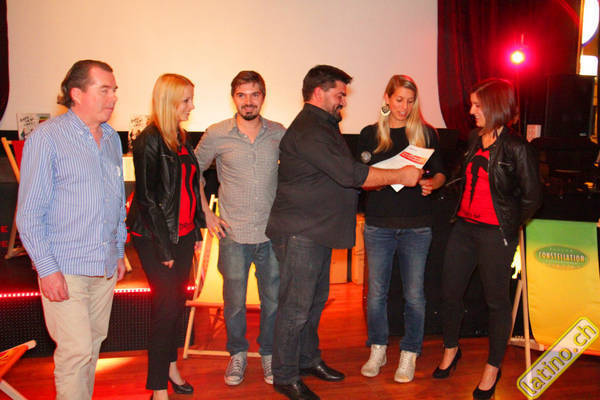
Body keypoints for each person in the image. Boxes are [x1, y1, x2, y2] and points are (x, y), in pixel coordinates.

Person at [266, 65, 423, 400]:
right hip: (301, 232)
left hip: (316, 230)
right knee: (296, 308)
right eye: (339, 94)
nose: (343, 101)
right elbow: (350, 174)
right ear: (319, 92)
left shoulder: (323, 125)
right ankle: (285, 375)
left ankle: (307, 359)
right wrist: (400, 175)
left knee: (313, 303)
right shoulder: (310, 130)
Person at [16, 59, 127, 400]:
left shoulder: (111, 139)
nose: (113, 97)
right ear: (77, 94)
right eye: (104, 90)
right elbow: (28, 215)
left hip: (104, 266)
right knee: (76, 351)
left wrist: (118, 251)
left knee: (90, 347)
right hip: (65, 267)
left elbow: (115, 202)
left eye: (114, 90)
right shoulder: (47, 138)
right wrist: (47, 269)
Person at [433, 78, 542, 400]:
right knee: (450, 292)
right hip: (464, 229)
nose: (471, 111)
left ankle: (493, 367)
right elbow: (465, 177)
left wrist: (507, 226)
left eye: (477, 105)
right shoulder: (473, 138)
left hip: (495, 234)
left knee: (497, 303)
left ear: (494, 106)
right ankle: (451, 349)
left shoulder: (517, 147)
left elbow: (533, 198)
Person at [194, 70, 285, 386]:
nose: (248, 101)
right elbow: (192, 172)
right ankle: (237, 354)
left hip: (271, 235)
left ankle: (269, 353)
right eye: (242, 95)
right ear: (233, 97)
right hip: (232, 234)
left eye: (254, 94)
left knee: (273, 300)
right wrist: (206, 213)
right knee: (233, 303)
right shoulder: (216, 133)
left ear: (263, 96)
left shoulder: (278, 133)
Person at [357, 75, 446, 383]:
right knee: (376, 294)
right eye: (399, 100)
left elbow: (440, 173)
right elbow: (360, 179)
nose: (404, 107)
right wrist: (384, 178)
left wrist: (432, 184)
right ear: (387, 98)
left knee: (414, 295)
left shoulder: (426, 133)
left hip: (417, 226)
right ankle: (378, 349)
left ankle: (410, 352)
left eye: (410, 101)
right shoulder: (370, 134)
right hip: (379, 224)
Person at [127, 73, 204, 399]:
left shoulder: (180, 137)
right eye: (186, 100)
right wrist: (164, 248)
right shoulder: (149, 140)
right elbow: (147, 200)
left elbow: (189, 188)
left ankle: (171, 369)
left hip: (182, 234)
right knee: (165, 310)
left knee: (175, 305)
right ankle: (158, 388)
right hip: (156, 237)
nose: (191, 106)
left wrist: (195, 230)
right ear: (169, 102)